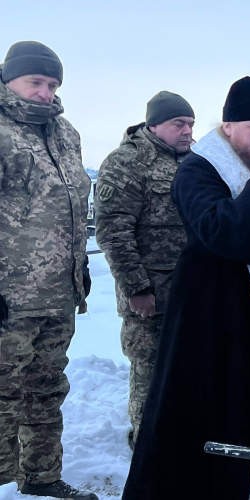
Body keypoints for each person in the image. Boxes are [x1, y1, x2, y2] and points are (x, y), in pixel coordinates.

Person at [122, 77, 250, 500]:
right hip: (213, 320)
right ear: (229, 127)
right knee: (213, 417)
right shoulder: (198, 169)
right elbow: (219, 231)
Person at [0, 42, 96, 500]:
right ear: (9, 79)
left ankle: (40, 476)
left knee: (46, 389)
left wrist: (78, 267)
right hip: (9, 298)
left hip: (58, 293)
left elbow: (73, 204)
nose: (44, 92)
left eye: (53, 84)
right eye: (35, 82)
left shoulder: (65, 133)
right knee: (1, 395)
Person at [94, 91, 194, 450]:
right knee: (150, 375)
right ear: (154, 125)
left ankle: (178, 442)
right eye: (178, 124)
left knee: (186, 372)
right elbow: (113, 231)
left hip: (191, 292)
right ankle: (147, 445)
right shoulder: (128, 162)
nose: (187, 131)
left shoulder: (194, 162)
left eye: (191, 124)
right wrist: (137, 288)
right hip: (151, 295)